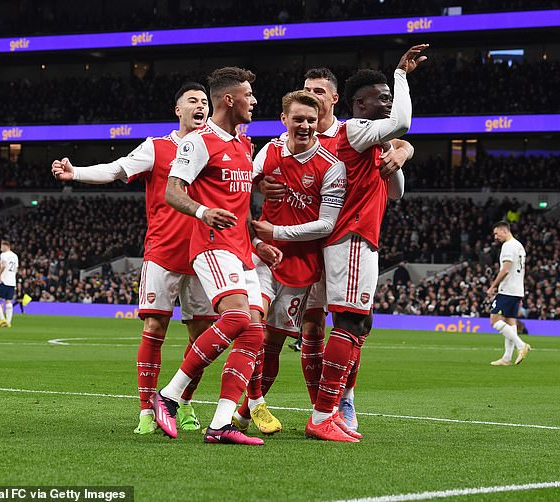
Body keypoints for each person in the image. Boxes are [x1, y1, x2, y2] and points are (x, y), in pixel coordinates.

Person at [259, 50, 422, 440]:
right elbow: (268, 170)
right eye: (305, 92)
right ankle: (300, 408)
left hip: (338, 236)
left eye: (318, 92)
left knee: (354, 324)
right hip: (330, 239)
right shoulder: (306, 138)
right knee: (310, 328)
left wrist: (400, 151)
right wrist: (261, 184)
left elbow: (395, 189)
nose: (310, 100)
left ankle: (334, 405)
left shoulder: (352, 133)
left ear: (334, 99)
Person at [51, 82, 217, 435]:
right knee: (154, 328)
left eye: (204, 101)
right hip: (163, 253)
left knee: (201, 335)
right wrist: (75, 173)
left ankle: (182, 403)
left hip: (205, 255)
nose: (200, 105)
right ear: (178, 110)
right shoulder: (157, 148)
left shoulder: (215, 147)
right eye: (192, 100)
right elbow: (115, 169)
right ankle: (145, 411)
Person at [152, 67, 283, 446]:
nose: (254, 102)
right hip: (209, 244)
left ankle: (221, 423)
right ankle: (169, 396)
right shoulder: (198, 142)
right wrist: (201, 211)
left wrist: (257, 243)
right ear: (230, 99)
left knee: (254, 332)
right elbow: (172, 191)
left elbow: (240, 209)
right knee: (239, 316)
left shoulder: (244, 146)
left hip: (240, 250)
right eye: (248, 95)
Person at [232, 90, 346, 435]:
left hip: (301, 266)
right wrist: (256, 188)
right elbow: (238, 189)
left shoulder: (331, 166)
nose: (306, 126)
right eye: (298, 119)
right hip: (263, 258)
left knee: (275, 343)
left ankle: (240, 415)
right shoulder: (269, 151)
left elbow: (326, 224)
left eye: (311, 120)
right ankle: (255, 404)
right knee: (253, 328)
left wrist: (277, 231)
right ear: (285, 120)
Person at [487, 221, 531, 366]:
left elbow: (505, 270)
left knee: (494, 320)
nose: (495, 237)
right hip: (517, 289)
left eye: (496, 233)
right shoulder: (519, 246)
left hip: (507, 289)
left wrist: (493, 286)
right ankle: (507, 358)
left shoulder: (508, 246)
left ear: (504, 230)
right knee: (510, 321)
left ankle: (521, 345)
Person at [0, 240, 19, 328]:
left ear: (6, 246)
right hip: (12, 281)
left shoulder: (4, 255)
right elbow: (16, 269)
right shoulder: (15, 256)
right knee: (8, 300)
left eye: (1, 246)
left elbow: (3, 265)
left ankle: (2, 319)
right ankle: (8, 322)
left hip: (4, 280)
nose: (0, 248)